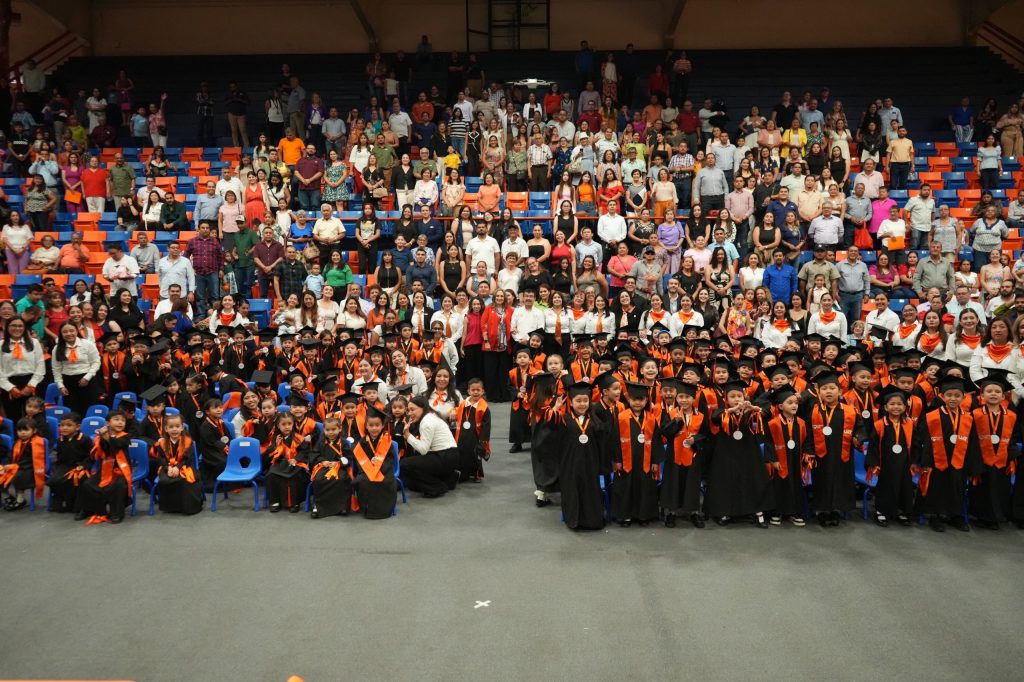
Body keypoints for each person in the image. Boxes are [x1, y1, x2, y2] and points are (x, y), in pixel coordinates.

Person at [401, 395, 460, 498]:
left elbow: (423, 450)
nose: (409, 413)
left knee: (405, 464)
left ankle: (437, 488)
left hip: (445, 456)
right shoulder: (431, 416)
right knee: (412, 485)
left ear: (423, 408)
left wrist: (408, 435)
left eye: (412, 409)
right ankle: (449, 479)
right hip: (450, 455)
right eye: (408, 410)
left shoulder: (426, 422)